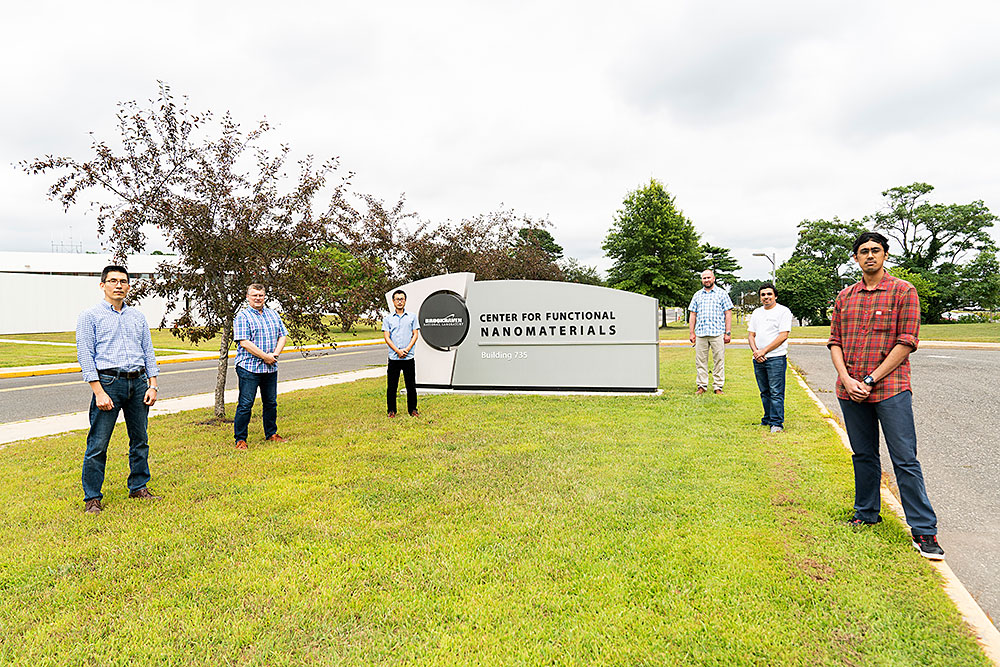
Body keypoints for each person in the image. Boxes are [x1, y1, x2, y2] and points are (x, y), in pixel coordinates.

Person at [828, 231, 944, 560]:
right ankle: (866, 513)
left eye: (875, 251)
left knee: (904, 459)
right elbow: (834, 341)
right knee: (863, 456)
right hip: (850, 391)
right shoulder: (845, 296)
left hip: (890, 389)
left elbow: (907, 341)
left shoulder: (903, 291)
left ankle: (924, 530)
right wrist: (847, 379)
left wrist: (869, 378)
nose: (869, 256)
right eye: (862, 251)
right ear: (855, 258)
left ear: (885, 255)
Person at [76, 265, 160, 514]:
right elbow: (85, 355)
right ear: (102, 285)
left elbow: (149, 352)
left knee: (140, 440)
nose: (119, 285)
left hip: (138, 384)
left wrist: (153, 384)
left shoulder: (137, 317)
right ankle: (92, 497)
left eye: (123, 281)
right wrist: (98, 391)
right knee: (98, 444)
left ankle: (139, 487)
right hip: (109, 384)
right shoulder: (89, 316)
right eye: (113, 281)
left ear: (129, 286)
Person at [233, 283, 288, 449]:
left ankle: (271, 433)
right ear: (247, 297)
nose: (258, 298)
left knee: (271, 402)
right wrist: (265, 356)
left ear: (265, 297)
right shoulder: (242, 316)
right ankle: (240, 440)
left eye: (261, 295)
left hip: (270, 367)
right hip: (249, 367)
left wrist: (274, 355)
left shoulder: (273, 314)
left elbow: (283, 335)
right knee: (245, 404)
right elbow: (244, 342)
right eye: (254, 295)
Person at [747, 283, 793, 433]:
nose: (766, 297)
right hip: (758, 358)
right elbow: (751, 335)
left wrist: (764, 351)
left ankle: (777, 423)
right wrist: (756, 352)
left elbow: (783, 335)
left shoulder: (783, 312)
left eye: (769, 294)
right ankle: (767, 419)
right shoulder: (757, 313)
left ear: (775, 296)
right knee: (764, 391)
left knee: (776, 391)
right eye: (763, 295)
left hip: (776, 358)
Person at [688, 269, 734, 394]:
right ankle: (702, 386)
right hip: (701, 334)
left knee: (719, 360)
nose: (707, 280)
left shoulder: (722, 293)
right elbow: (693, 314)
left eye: (709, 277)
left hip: (717, 332)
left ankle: (718, 386)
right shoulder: (697, 295)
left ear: (713, 278)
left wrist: (727, 332)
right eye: (704, 278)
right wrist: (692, 332)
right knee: (700, 361)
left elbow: (728, 313)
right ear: (702, 280)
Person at [382, 290, 420, 417]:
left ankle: (413, 410)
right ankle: (391, 410)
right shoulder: (387, 319)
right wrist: (397, 351)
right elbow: (387, 337)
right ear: (393, 301)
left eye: (402, 299)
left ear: (405, 301)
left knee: (411, 386)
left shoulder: (412, 317)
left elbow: (415, 334)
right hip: (394, 358)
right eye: (397, 299)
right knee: (392, 386)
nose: (399, 301)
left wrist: (407, 349)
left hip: (408, 357)